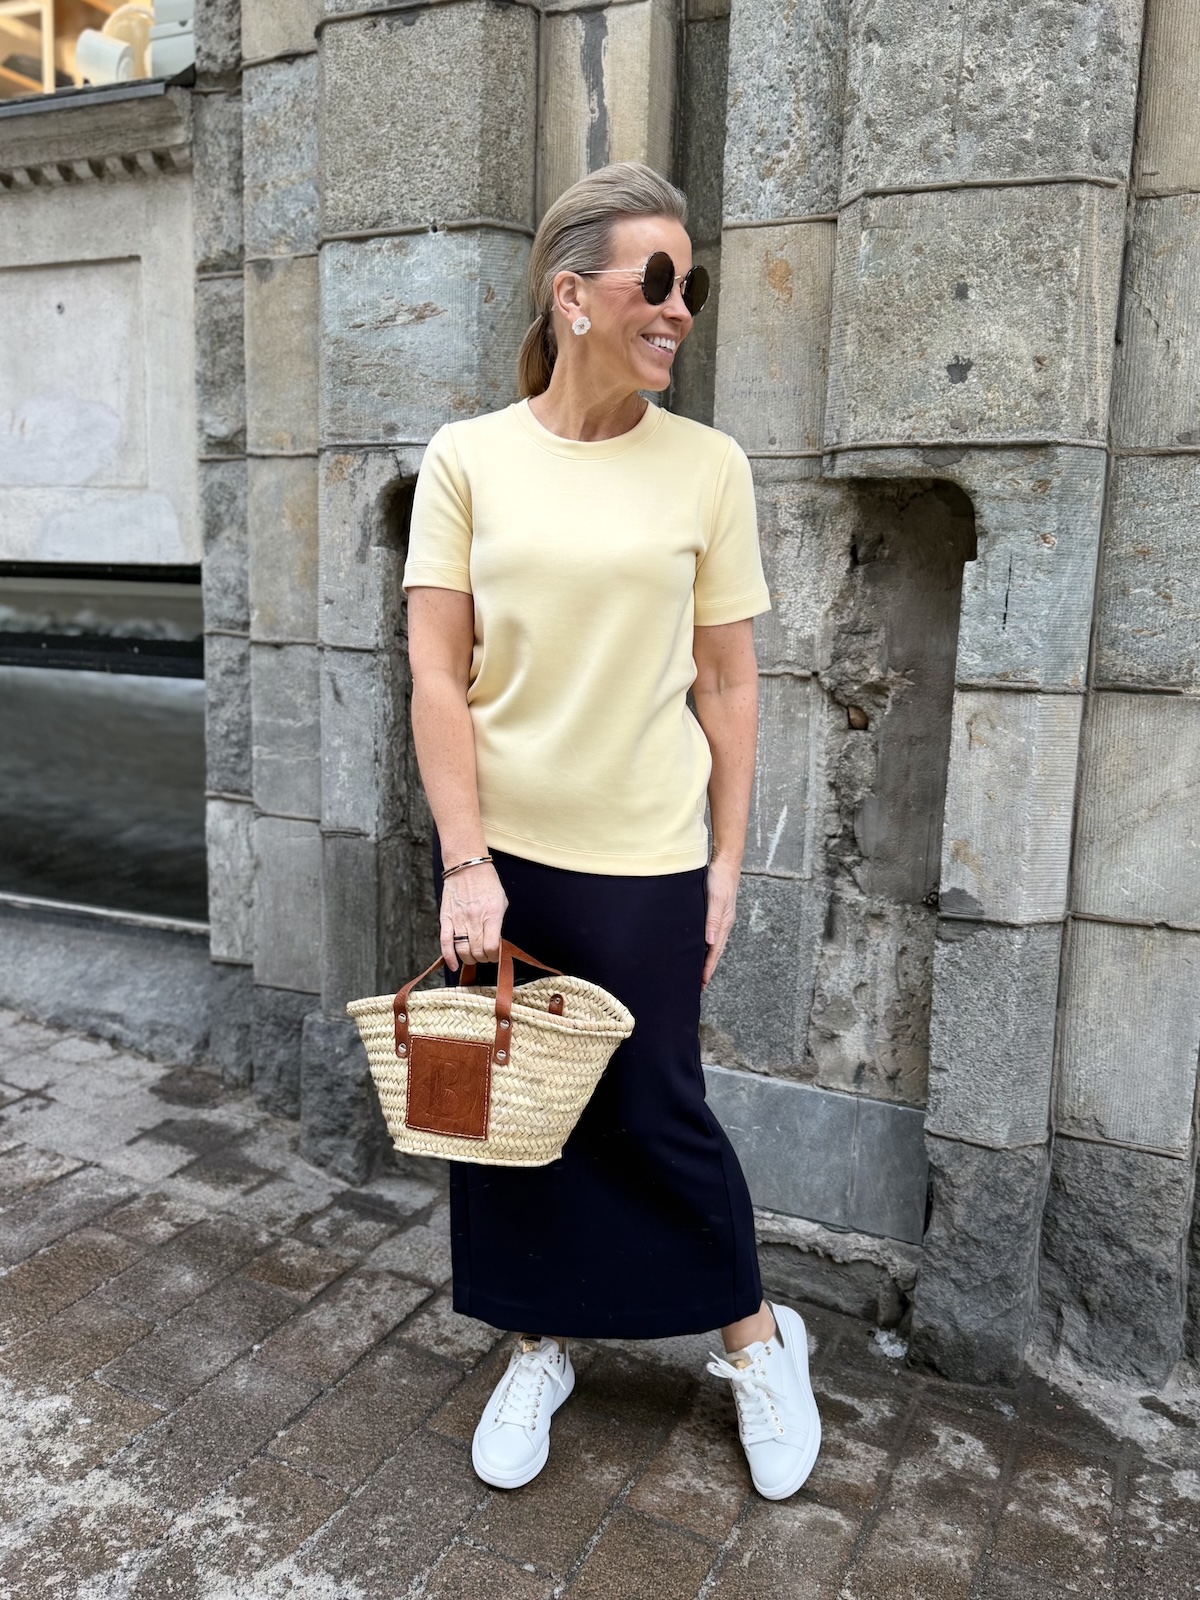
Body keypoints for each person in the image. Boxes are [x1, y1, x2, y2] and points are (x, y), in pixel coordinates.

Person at [403, 160, 821, 1501]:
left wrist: (726, 861)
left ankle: (756, 1341)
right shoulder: (470, 458)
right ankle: (540, 1343)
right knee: (512, 1114)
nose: (679, 306)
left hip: (646, 854)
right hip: (502, 856)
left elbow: (729, 683)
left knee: (655, 1108)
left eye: (691, 285)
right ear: (572, 295)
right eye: (656, 279)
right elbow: (436, 674)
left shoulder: (707, 465)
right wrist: (466, 862)